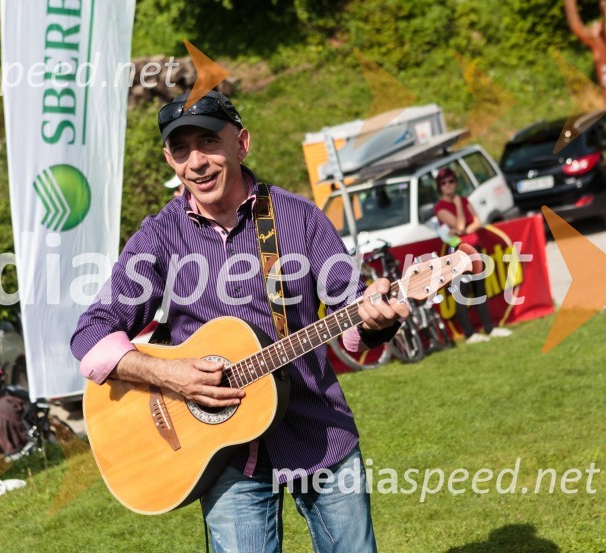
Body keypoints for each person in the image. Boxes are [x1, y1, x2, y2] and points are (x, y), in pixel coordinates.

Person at [71, 90, 409, 552]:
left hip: (318, 431)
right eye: (181, 149)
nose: (197, 162)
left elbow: (354, 326)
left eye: (208, 142)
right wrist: (170, 374)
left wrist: (377, 318)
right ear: (169, 159)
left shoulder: (298, 218)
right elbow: (91, 336)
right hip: (223, 455)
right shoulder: (159, 236)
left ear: (241, 143)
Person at [433, 168, 511, 344]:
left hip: (475, 248)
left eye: (451, 181)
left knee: (480, 290)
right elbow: (460, 225)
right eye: (444, 183)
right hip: (459, 254)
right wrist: (459, 207)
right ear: (439, 186)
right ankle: (469, 333)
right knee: (462, 293)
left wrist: (465, 229)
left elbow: (477, 221)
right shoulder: (441, 208)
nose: (448, 185)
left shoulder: (464, 200)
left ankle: (489, 328)